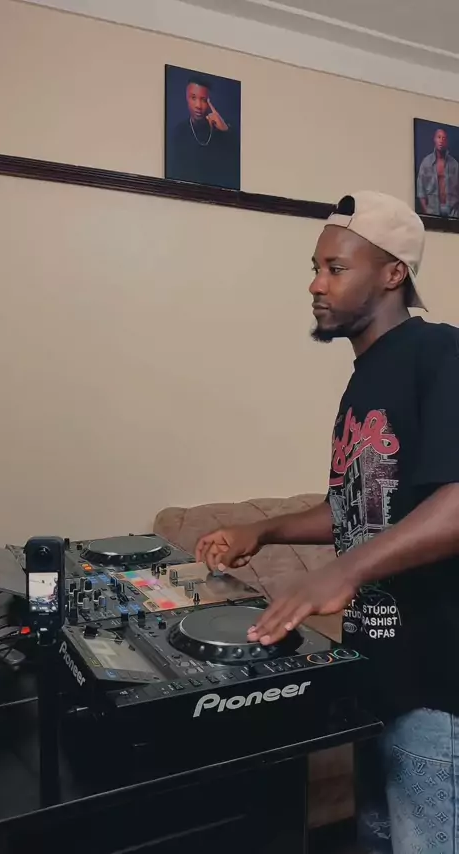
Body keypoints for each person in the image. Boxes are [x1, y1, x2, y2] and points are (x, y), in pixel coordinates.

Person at [196, 191, 459, 853]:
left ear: (393, 273)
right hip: (378, 676)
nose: (316, 284)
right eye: (315, 268)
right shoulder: (365, 378)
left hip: (437, 688)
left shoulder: (440, 353)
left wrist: (341, 572)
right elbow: (359, 505)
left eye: (336, 268)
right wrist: (265, 530)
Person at [166, 74, 240, 190]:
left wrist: (226, 131)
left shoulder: (224, 129)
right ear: (186, 98)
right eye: (193, 98)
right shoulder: (178, 133)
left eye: (204, 100)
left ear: (210, 102)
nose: (198, 106)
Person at [416, 127, 459, 218]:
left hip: (453, 211)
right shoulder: (426, 163)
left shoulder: (454, 164)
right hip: (433, 210)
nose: (441, 141)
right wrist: (427, 211)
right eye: (439, 137)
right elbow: (421, 190)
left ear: (446, 142)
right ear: (434, 139)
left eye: (444, 138)